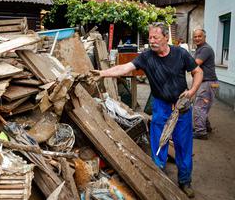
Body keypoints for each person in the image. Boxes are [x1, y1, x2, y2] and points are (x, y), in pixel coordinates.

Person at [92, 22, 203, 198]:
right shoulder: (146, 57)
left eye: (155, 37)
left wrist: (191, 92)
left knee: (183, 144)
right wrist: (102, 73)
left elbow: (198, 72)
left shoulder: (181, 54)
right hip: (161, 105)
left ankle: (184, 181)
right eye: (149, 37)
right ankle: (158, 177)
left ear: (165, 37)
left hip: (182, 106)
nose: (151, 41)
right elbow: (123, 68)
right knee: (159, 142)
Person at [192, 29, 219, 140]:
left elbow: (194, 64)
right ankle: (206, 127)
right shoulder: (200, 49)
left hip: (208, 83)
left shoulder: (205, 49)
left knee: (199, 107)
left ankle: (200, 132)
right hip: (210, 83)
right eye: (195, 36)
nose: (197, 38)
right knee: (203, 106)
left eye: (200, 36)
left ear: (204, 37)